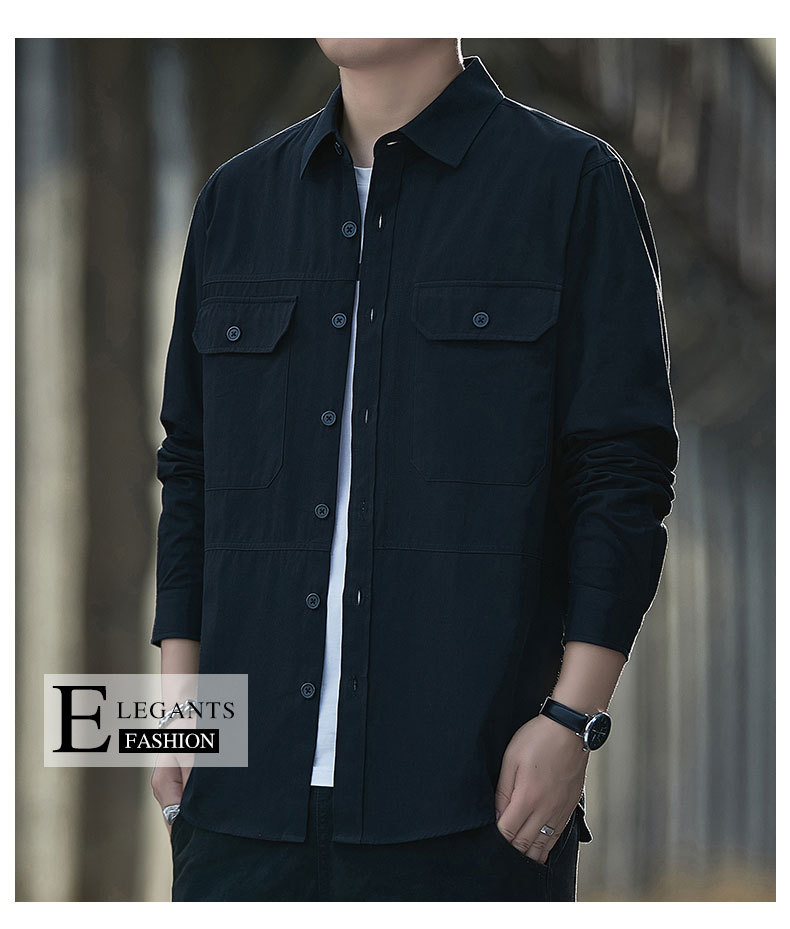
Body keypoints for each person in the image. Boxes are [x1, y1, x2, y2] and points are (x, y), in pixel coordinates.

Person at [151, 38, 678, 902]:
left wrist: (572, 718)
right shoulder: (235, 201)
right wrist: (178, 707)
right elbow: (192, 466)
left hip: (470, 811)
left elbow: (621, 474)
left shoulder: (570, 185)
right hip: (239, 813)